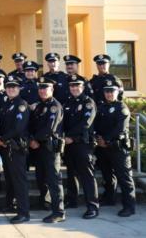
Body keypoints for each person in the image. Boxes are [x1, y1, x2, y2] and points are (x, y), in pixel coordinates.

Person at [94, 79, 136, 217]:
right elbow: (96, 125)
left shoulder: (121, 108)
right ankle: (109, 198)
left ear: (118, 92)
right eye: (107, 91)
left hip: (118, 147)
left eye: (112, 91)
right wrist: (98, 138)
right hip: (103, 147)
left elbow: (119, 129)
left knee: (124, 178)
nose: (109, 94)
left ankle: (129, 206)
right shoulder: (101, 107)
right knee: (108, 176)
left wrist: (105, 140)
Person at [62, 75, 99, 219]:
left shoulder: (88, 102)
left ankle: (93, 206)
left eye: (77, 86)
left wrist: (70, 136)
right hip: (69, 145)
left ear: (82, 87)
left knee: (87, 175)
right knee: (72, 174)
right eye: (72, 86)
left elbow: (85, 123)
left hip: (83, 144)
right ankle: (72, 200)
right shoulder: (68, 103)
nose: (74, 88)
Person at [29, 77, 65, 223]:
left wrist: (34, 139)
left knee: (54, 180)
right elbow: (32, 124)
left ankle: (59, 212)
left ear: (52, 90)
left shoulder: (54, 106)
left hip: (50, 148)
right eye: (41, 88)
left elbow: (49, 129)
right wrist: (31, 139)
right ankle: (45, 203)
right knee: (41, 178)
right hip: (38, 148)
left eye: (46, 88)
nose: (43, 91)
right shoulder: (39, 106)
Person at [0, 75, 30, 224]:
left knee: (19, 180)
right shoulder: (6, 104)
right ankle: (10, 205)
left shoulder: (21, 104)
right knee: (9, 179)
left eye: (14, 87)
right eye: (8, 87)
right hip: (5, 148)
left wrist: (2, 139)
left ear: (18, 89)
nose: (10, 89)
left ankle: (24, 212)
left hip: (16, 147)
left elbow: (18, 127)